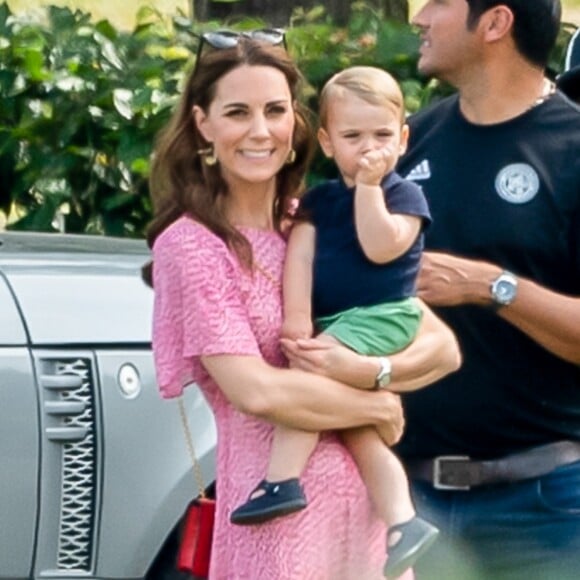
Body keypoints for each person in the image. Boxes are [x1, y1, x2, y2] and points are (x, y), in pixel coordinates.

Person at [146, 31, 460, 579]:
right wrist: (376, 405)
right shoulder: (192, 245)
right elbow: (257, 390)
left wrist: (375, 370)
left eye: (275, 110)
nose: (260, 130)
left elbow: (440, 344)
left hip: (370, 520)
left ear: (296, 123)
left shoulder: (320, 219)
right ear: (204, 125)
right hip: (276, 522)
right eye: (238, 112)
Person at [393, 1, 580, 579]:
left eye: (439, 3)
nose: (418, 17)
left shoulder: (572, 148)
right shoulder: (411, 142)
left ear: (495, 23)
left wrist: (492, 286)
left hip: (542, 510)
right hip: (409, 505)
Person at [231, 65, 438, 580]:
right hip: (334, 319)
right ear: (326, 141)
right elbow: (298, 257)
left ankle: (281, 480)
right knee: (359, 431)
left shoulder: (403, 195)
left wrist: (369, 186)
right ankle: (402, 521)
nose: (369, 147)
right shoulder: (320, 202)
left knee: (307, 383)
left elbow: (381, 243)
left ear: (403, 137)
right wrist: (298, 319)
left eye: (383, 136)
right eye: (353, 136)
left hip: (382, 316)